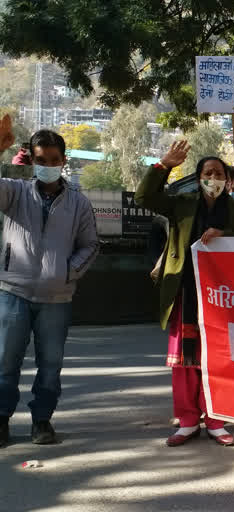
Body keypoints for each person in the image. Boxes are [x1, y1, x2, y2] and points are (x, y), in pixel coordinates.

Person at [135, 141, 234, 447]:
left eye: (218, 173)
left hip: (223, 298)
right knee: (184, 364)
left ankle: (216, 420)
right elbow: (145, 196)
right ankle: (187, 421)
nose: (212, 178)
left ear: (227, 179)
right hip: (186, 293)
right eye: (207, 172)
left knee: (217, 361)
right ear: (199, 177)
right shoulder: (182, 203)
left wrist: (224, 235)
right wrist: (164, 165)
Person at [0, 116, 99, 447]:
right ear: (31, 159)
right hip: (12, 292)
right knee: (4, 362)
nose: (48, 167)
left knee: (50, 365)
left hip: (57, 298)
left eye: (54, 161)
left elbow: (90, 244)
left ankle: (42, 422)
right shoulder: (14, 193)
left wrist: (67, 272)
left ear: (64, 161)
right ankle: (1, 420)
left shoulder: (78, 202)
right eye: (41, 161)